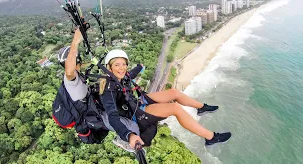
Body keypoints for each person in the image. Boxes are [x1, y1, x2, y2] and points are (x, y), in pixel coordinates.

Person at [99, 49, 232, 148]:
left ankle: (202, 108)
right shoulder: (107, 90)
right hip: (134, 114)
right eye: (117, 65)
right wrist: (129, 135)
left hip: (136, 103)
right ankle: (211, 137)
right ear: (109, 67)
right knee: (174, 108)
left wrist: (139, 67)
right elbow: (113, 117)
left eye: (124, 64)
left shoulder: (120, 77)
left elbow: (129, 74)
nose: (122, 68)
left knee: (174, 92)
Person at [58, 29, 141, 150]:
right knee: (133, 127)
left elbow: (122, 78)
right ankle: (125, 141)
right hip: (95, 116)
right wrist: (75, 40)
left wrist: (139, 68)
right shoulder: (71, 81)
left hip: (96, 109)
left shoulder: (80, 77)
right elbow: (69, 71)